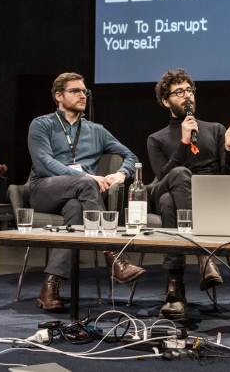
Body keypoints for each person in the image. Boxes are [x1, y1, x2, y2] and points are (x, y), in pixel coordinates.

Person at [28, 72, 144, 311]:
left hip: (79, 198)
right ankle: (113, 255)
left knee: (76, 209)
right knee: (87, 184)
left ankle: (50, 286)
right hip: (45, 190)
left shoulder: (97, 131)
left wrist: (119, 174)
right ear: (59, 96)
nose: (83, 95)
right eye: (76, 91)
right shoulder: (42, 124)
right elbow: (44, 163)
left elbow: (131, 156)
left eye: (84, 91)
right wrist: (87, 177)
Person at [147, 68, 230, 319]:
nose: (187, 96)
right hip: (169, 182)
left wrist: (229, 147)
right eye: (179, 92)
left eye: (189, 90)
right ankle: (204, 257)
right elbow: (163, 176)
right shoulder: (156, 138)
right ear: (165, 100)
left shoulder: (215, 130)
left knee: (169, 202)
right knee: (179, 177)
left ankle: (175, 290)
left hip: (206, 196)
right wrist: (183, 144)